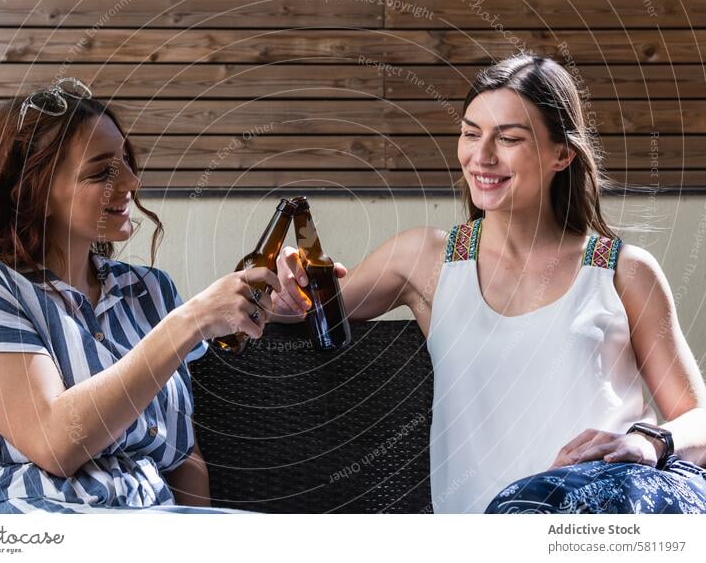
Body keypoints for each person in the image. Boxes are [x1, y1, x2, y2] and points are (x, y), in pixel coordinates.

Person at [272, 55, 706, 513]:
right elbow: (305, 308)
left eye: (510, 139)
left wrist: (650, 441)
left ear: (562, 154)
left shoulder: (621, 272)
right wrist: (288, 282)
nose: (482, 156)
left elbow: (698, 421)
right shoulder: (427, 260)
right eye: (470, 133)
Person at [0, 78, 278, 513]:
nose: (130, 180)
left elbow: (186, 458)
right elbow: (55, 442)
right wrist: (191, 320)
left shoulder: (149, 291)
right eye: (102, 170)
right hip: (37, 523)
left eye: (126, 160)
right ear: (33, 191)